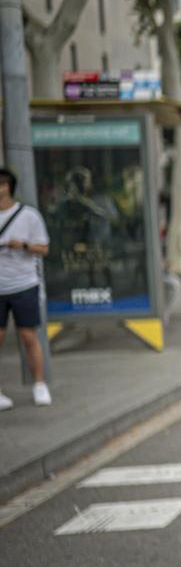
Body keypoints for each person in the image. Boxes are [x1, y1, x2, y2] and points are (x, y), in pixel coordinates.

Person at [0, 167, 52, 410]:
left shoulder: (28, 215)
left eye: (3, 184)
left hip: (24, 283)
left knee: (28, 335)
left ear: (10, 187)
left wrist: (23, 245)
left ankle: (39, 384)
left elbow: (44, 248)